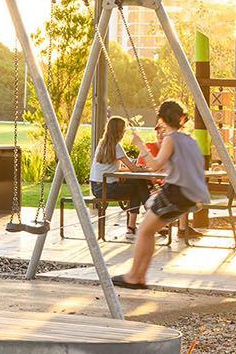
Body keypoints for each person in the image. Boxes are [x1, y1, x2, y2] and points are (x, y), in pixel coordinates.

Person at [114, 99, 210, 289]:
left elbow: (155, 165)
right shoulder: (190, 141)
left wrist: (141, 145)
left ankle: (135, 276)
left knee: (144, 231)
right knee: (149, 230)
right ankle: (138, 276)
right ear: (181, 119)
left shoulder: (171, 139)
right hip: (193, 195)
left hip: (176, 192)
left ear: (161, 119)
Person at [90, 115, 153, 228]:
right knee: (138, 186)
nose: (125, 132)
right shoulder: (116, 146)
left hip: (96, 187)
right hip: (107, 188)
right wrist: (144, 169)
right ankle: (151, 214)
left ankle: (135, 225)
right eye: (124, 130)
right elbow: (133, 168)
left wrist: (138, 170)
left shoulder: (102, 144)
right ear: (119, 131)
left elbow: (114, 169)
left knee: (137, 184)